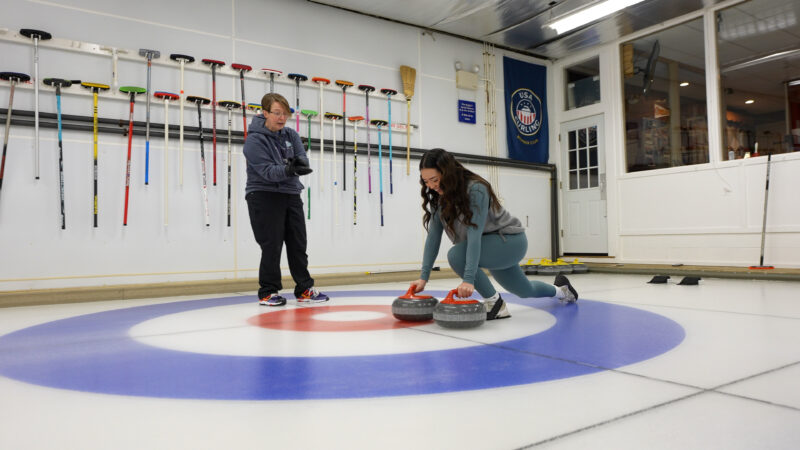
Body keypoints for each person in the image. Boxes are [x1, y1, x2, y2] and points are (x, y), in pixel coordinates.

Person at [409, 148, 578, 320]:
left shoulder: (475, 189)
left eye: (435, 180)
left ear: (448, 172)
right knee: (524, 290)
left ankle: (494, 304)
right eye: (426, 181)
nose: (431, 186)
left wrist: (468, 279)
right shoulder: (439, 198)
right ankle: (562, 290)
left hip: (509, 242)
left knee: (456, 255)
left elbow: (474, 234)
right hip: (490, 245)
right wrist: (424, 278)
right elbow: (433, 237)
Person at [243, 93, 329, 306]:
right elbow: (268, 172)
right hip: (263, 194)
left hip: (290, 194)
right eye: (277, 113)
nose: (282, 118)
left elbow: (303, 161)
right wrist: (290, 168)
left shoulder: (291, 134)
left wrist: (290, 168)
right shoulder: (253, 140)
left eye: (286, 114)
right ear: (265, 113)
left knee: (298, 243)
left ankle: (304, 289)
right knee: (271, 244)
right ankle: (268, 292)